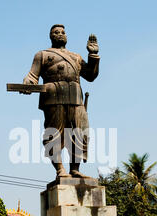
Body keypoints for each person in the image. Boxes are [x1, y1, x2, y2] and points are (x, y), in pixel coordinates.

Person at [22, 24, 100, 178]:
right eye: (56, 32)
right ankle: (60, 169)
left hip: (76, 97)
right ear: (51, 36)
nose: (60, 34)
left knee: (80, 132)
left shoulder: (76, 57)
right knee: (54, 134)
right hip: (53, 96)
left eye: (63, 32)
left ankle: (75, 169)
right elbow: (32, 76)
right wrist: (28, 84)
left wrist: (93, 56)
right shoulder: (42, 55)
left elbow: (90, 76)